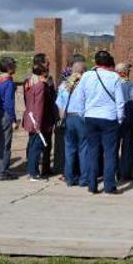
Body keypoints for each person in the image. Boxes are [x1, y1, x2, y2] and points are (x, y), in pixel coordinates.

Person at [72, 50, 125, 194]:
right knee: (110, 153)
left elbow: (79, 97)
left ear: (95, 62)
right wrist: (120, 118)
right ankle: (109, 186)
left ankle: (92, 185)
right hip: (109, 117)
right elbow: (120, 101)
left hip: (91, 117)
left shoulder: (87, 76)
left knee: (92, 152)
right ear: (108, 62)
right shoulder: (114, 77)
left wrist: (84, 114)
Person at [23, 53, 58, 177]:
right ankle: (33, 169)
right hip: (40, 116)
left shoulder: (34, 78)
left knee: (45, 143)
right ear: (40, 64)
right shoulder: (39, 80)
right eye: (46, 61)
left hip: (42, 116)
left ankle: (45, 167)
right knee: (36, 143)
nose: (48, 63)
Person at [56, 55, 87, 187]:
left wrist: (62, 119)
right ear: (83, 71)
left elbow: (60, 106)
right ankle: (84, 178)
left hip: (69, 118)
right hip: (82, 118)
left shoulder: (64, 85)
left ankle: (69, 178)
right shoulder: (86, 84)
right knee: (83, 149)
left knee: (69, 150)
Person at [0, 56, 18, 181]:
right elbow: (9, 103)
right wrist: (14, 119)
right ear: (10, 68)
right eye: (14, 65)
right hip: (4, 114)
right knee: (4, 144)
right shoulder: (9, 83)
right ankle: (3, 171)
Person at [116, 63, 133, 182]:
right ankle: (126, 172)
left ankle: (114, 171)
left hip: (114, 118)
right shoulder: (130, 85)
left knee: (114, 147)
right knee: (128, 147)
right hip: (128, 118)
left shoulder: (113, 83)